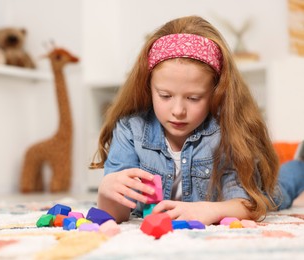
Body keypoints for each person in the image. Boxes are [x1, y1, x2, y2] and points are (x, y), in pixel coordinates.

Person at [90, 15, 304, 225]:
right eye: (165, 96)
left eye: (193, 98)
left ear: (216, 92)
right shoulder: (131, 129)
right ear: (148, 87)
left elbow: (249, 204)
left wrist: (210, 210)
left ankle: (299, 164)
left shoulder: (228, 132)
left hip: (245, 195)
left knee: (278, 193)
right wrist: (107, 191)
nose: (178, 111)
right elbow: (116, 215)